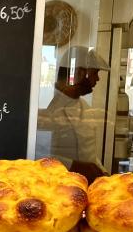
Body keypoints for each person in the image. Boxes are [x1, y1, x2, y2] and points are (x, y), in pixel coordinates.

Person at [38, 46, 110, 183]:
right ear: (79, 73)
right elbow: (37, 152)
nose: (98, 79)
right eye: (95, 73)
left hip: (87, 184)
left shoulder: (86, 108)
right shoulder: (45, 105)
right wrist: (73, 166)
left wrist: (102, 172)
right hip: (55, 185)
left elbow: (89, 152)